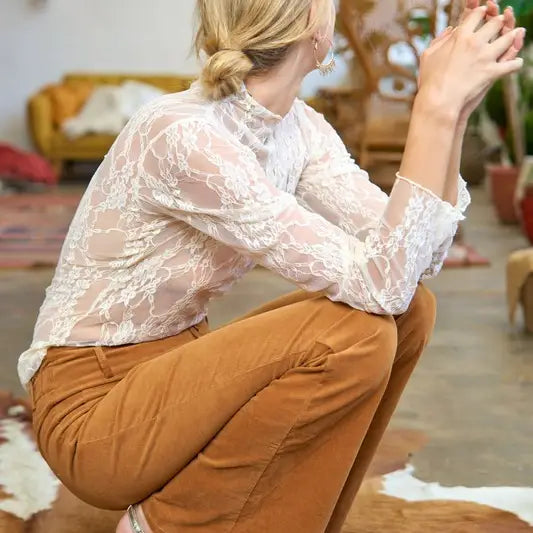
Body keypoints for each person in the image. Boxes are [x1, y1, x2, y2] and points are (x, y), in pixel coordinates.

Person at [20, 0, 525, 531]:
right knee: (356, 333)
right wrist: (433, 107)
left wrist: (457, 108)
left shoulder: (298, 128)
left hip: (175, 381)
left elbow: (416, 261)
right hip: (96, 412)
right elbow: (382, 284)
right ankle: (164, 524)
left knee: (411, 312)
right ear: (313, 25)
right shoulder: (182, 135)